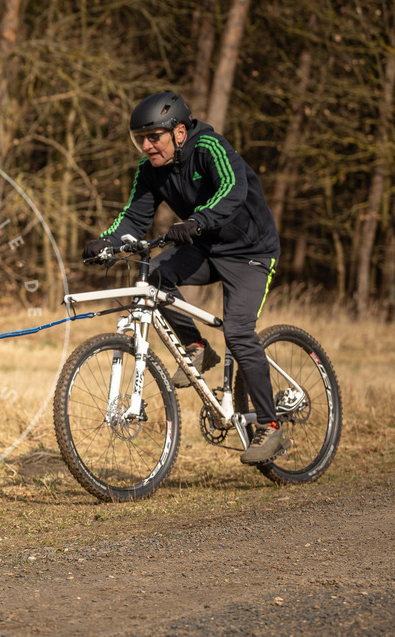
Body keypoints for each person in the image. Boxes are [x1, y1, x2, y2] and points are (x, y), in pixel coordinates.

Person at [82, 92, 288, 465]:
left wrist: (197, 220)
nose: (145, 146)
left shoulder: (209, 145)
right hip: (205, 244)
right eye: (139, 139)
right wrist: (107, 243)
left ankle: (270, 426)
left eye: (152, 137)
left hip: (250, 252)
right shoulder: (150, 170)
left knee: (240, 333)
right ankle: (195, 346)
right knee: (156, 278)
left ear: (179, 132)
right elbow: (133, 218)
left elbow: (233, 190)